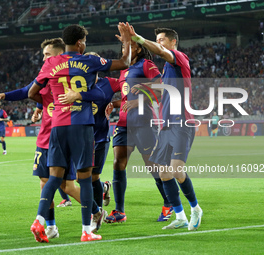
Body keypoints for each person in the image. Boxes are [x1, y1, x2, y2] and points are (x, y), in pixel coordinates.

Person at [0, 38, 106, 240]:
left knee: (67, 185)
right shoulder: (45, 77)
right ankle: (51, 226)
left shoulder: (68, 78)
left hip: (63, 135)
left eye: (47, 55)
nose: (44, 58)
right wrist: (7, 97)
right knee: (45, 183)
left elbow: (95, 93)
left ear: (59, 55)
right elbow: (27, 91)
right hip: (45, 138)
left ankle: (95, 211)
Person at [28, 23, 131, 242]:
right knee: (84, 180)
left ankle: (39, 220)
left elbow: (31, 92)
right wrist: (126, 42)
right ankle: (86, 231)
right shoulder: (90, 61)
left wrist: (47, 105)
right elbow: (125, 62)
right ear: (80, 43)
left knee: (53, 179)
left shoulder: (50, 64)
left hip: (57, 127)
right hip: (82, 128)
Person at [129, 24, 203, 230]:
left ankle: (195, 209)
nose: (159, 43)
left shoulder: (179, 58)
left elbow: (161, 51)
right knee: (163, 173)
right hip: (167, 125)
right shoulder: (168, 68)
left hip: (181, 123)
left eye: (162, 39)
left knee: (177, 170)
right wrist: (145, 87)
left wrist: (140, 40)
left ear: (173, 42)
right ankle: (180, 216)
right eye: (158, 39)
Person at [102, 40, 171, 223]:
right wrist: (114, 104)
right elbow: (127, 98)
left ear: (139, 48)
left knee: (152, 165)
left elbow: (161, 90)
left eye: (129, 46)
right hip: (124, 123)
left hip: (143, 121)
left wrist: (139, 102)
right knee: (118, 163)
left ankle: (169, 204)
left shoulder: (146, 65)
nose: (124, 49)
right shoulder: (124, 70)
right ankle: (119, 211)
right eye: (123, 47)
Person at [58, 52, 120, 217]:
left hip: (100, 136)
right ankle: (103, 191)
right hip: (79, 136)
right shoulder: (73, 85)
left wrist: (116, 103)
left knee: (92, 177)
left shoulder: (109, 83)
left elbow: (132, 90)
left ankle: (97, 212)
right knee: (80, 179)